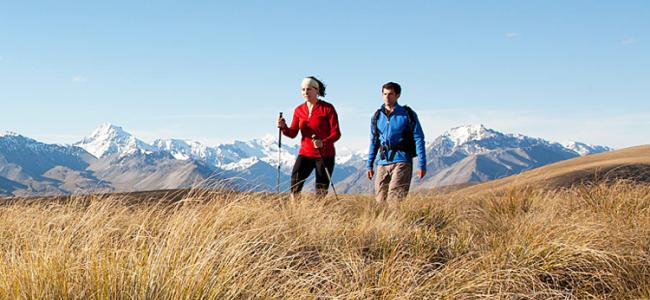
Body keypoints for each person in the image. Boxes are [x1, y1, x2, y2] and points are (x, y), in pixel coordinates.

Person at [277, 76, 341, 200]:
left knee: (321, 191)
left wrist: (323, 142)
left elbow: (336, 133)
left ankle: (319, 214)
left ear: (317, 91)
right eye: (303, 89)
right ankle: (294, 210)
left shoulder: (327, 109)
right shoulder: (299, 110)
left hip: (324, 154)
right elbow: (292, 133)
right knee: (295, 184)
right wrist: (284, 127)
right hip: (305, 153)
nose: (305, 92)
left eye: (309, 89)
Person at [367, 82, 427, 204]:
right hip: (383, 162)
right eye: (384, 94)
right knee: (380, 201)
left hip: (402, 161)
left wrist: (422, 164)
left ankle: (396, 222)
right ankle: (382, 223)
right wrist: (369, 164)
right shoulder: (377, 116)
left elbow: (419, 138)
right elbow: (374, 141)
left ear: (398, 95)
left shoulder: (407, 114)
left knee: (395, 201)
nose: (387, 97)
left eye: (390, 94)